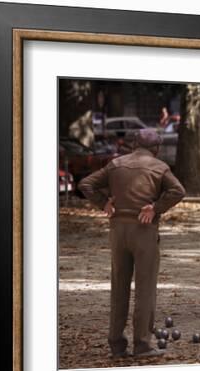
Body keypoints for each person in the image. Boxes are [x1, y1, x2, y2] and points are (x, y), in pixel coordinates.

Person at [78, 129, 185, 357]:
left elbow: (86, 184)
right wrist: (155, 207)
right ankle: (142, 344)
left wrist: (103, 203)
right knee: (144, 290)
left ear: (134, 144)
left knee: (119, 287)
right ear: (156, 148)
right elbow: (178, 190)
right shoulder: (159, 167)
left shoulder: (115, 164)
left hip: (117, 230)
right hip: (143, 229)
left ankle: (116, 344)